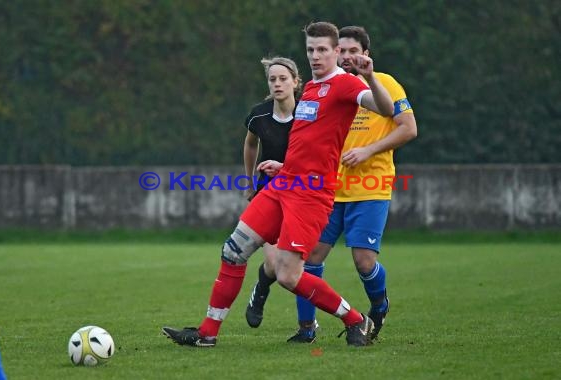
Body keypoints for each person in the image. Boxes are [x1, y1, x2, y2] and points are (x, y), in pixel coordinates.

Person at [162, 21, 394, 348]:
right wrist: (285, 166)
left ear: (337, 52)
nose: (315, 56)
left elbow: (387, 110)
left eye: (322, 50)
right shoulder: (311, 88)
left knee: (287, 276)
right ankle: (207, 333)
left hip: (311, 195)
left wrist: (369, 76)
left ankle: (356, 319)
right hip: (283, 183)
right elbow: (310, 143)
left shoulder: (347, 85)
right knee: (233, 251)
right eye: (310, 49)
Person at [245, 25, 417, 344]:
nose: (349, 56)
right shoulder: (323, 87)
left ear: (365, 53)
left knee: (364, 262)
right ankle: (307, 327)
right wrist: (289, 168)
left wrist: (368, 149)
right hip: (326, 189)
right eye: (344, 51)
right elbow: (315, 143)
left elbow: (408, 128)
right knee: (309, 259)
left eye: (354, 51)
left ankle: (378, 306)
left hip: (370, 186)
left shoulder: (383, 85)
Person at [243, 56, 301, 311]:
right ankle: (262, 288)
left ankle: (307, 322)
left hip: (302, 192)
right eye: (272, 79)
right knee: (275, 262)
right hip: (268, 190)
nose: (277, 84)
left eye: (283, 79)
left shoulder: (308, 115)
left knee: (296, 265)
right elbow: (250, 143)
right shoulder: (259, 115)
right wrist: (249, 181)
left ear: (295, 82)